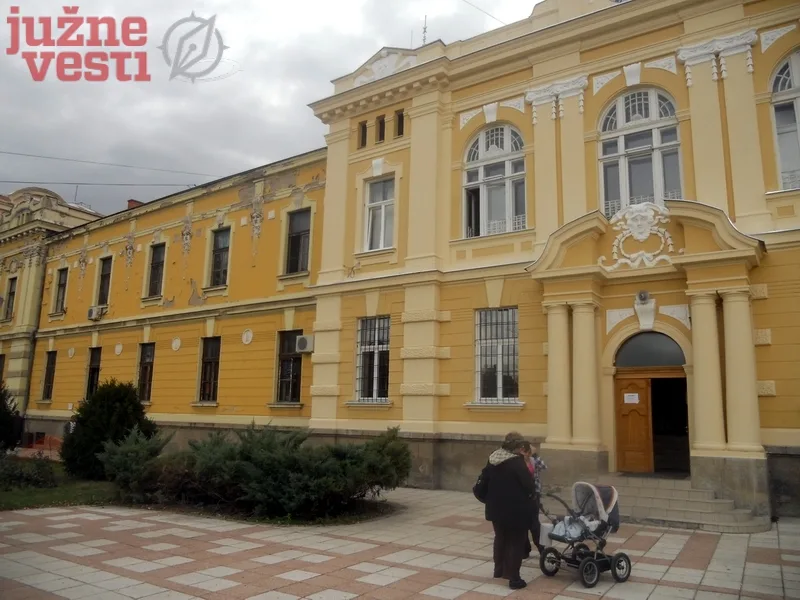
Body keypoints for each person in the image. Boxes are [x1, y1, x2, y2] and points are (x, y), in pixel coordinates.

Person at [479, 431, 534, 590]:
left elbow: (484, 482)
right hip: (515, 510)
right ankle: (514, 578)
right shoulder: (517, 462)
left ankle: (499, 570)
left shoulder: (493, 458)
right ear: (517, 446)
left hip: (495, 508)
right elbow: (529, 485)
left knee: (500, 537)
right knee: (516, 542)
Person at [521, 441, 547, 558]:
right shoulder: (518, 462)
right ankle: (525, 549)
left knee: (534, 523)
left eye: (528, 452)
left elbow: (543, 467)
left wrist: (535, 455)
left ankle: (541, 548)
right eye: (524, 452)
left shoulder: (533, 460)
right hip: (522, 496)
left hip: (534, 494)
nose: (526, 454)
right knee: (523, 523)